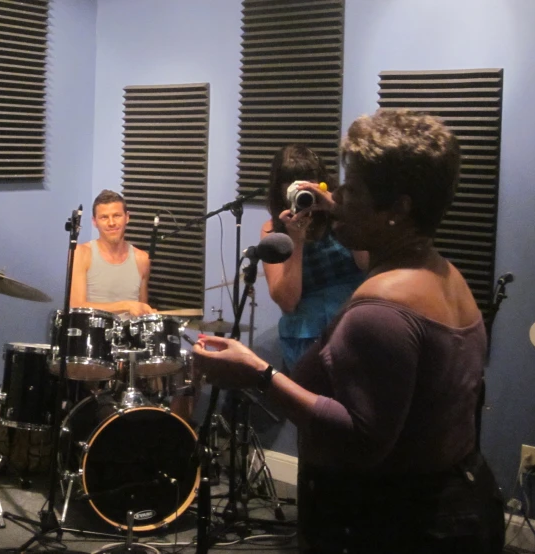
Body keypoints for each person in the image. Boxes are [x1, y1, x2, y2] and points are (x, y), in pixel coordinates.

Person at [192, 110, 505, 553]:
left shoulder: (380, 310)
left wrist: (257, 374)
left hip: (393, 524)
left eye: (351, 189)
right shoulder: (442, 272)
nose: (336, 198)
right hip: (450, 503)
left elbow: (360, 440)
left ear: (398, 208)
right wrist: (330, 207)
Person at [262, 144, 367, 370]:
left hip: (355, 325)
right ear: (280, 189)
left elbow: (367, 264)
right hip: (308, 339)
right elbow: (288, 302)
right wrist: (296, 239)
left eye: (307, 181)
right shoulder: (273, 230)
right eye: (291, 183)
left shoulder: (341, 216)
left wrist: (339, 210)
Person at [70, 189, 155, 317]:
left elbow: (141, 314)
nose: (111, 223)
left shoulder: (142, 259)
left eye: (117, 216)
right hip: (94, 334)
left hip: (129, 336)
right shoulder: (81, 253)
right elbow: (76, 305)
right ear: (94, 222)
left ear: (127, 217)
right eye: (104, 217)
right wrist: (125, 305)